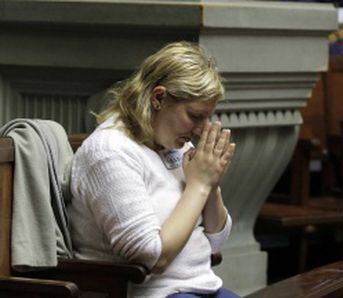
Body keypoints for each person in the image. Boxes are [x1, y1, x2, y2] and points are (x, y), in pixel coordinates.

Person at [67, 41, 238, 298]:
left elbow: (216, 241)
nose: (203, 128)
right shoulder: (109, 152)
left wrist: (210, 184)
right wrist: (199, 185)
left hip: (202, 287)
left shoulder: (174, 145)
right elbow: (152, 257)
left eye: (207, 117)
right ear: (158, 98)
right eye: (194, 115)